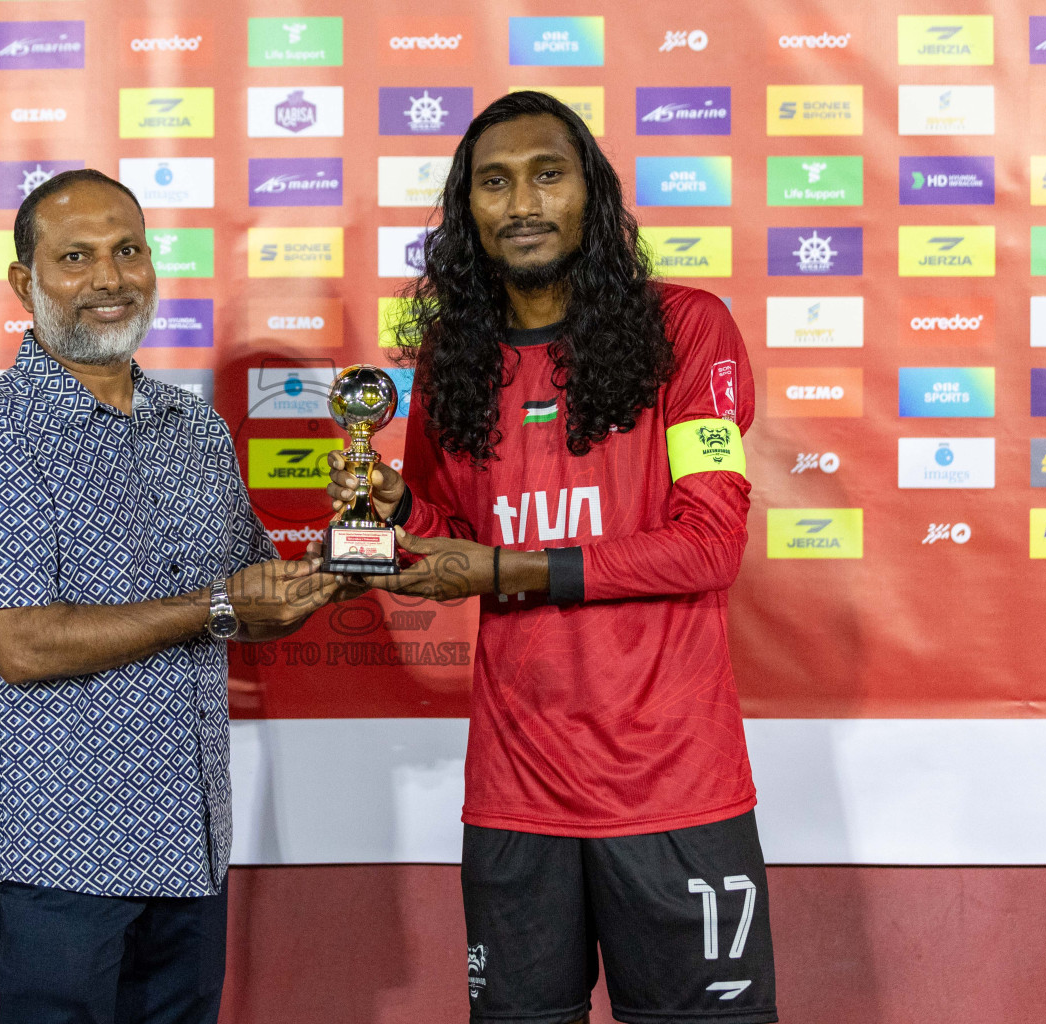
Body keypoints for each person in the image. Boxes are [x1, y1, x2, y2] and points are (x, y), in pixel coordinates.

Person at [323, 91, 777, 1024]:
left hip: (671, 786)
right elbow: (450, 527)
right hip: (515, 790)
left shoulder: (688, 330)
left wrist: (501, 573)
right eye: (494, 182)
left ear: (592, 195)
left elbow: (708, 544)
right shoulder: (454, 352)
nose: (521, 202)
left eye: (546, 175)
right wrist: (394, 509)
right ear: (467, 210)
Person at [0, 168, 340, 1024]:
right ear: (24, 282)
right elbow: (25, 646)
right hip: (60, 856)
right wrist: (218, 608)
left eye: (128, 251)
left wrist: (362, 544)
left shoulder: (195, 428)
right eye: (75, 257)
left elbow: (257, 596)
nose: (110, 279)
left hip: (190, 845)